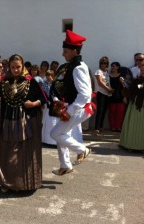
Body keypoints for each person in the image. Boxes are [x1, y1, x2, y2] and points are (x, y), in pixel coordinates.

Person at [0, 54, 47, 192]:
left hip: (25, 123)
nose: (16, 70)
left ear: (23, 66)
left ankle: (23, 183)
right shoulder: (4, 83)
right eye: (13, 67)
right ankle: (7, 182)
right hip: (7, 122)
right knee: (8, 154)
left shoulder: (31, 82)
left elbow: (43, 99)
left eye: (18, 67)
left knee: (22, 155)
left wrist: (33, 104)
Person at [50, 30, 93, 176]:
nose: (63, 54)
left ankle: (82, 150)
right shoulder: (75, 65)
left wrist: (70, 110)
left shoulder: (78, 67)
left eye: (66, 51)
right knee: (62, 134)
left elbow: (85, 94)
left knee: (55, 133)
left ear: (75, 51)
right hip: (73, 107)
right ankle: (65, 165)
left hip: (78, 109)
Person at [119, 61, 144, 151]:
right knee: (133, 125)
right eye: (141, 70)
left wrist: (136, 86)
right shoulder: (137, 80)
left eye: (143, 70)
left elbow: (139, 87)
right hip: (135, 105)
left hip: (141, 105)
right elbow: (131, 89)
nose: (142, 72)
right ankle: (131, 144)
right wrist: (124, 83)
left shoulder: (138, 81)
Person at [94, 56, 113, 134]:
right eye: (102, 63)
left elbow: (108, 81)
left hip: (107, 93)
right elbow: (100, 82)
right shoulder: (98, 71)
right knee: (100, 111)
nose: (103, 65)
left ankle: (101, 126)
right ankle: (97, 127)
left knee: (104, 110)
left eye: (105, 63)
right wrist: (108, 89)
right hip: (101, 92)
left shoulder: (107, 72)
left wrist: (110, 89)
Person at [108, 62, 126, 131]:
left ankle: (118, 127)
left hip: (120, 95)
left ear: (118, 67)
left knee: (120, 113)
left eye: (114, 66)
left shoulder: (121, 76)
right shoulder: (108, 75)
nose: (112, 67)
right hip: (111, 95)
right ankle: (112, 127)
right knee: (112, 112)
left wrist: (124, 97)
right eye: (112, 66)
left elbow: (124, 87)